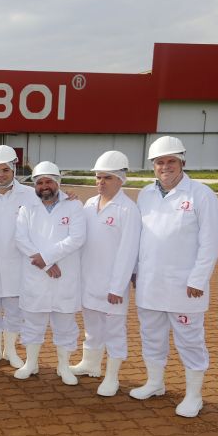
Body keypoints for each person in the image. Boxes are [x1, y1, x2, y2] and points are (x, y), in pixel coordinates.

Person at [130, 136, 218, 417]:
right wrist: (134, 271)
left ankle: (193, 395)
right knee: (151, 336)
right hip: (149, 284)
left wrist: (198, 279)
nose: (165, 166)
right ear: (152, 165)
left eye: (171, 161)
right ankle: (155, 383)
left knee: (189, 339)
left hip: (185, 288)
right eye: (160, 161)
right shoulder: (145, 194)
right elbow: (138, 238)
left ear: (182, 162)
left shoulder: (201, 194)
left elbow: (212, 241)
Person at [72, 151, 140, 396]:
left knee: (114, 331)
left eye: (107, 178)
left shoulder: (128, 209)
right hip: (88, 280)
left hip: (112, 286)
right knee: (92, 327)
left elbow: (128, 251)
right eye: (98, 177)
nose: (100, 182)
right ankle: (90, 363)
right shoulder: (89, 204)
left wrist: (117, 286)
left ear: (121, 179)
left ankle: (112, 376)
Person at [13, 161, 85, 385]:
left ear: (58, 183)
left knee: (65, 325)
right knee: (32, 323)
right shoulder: (27, 208)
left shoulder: (74, 206)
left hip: (65, 276)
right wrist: (44, 263)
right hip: (37, 275)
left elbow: (77, 238)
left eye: (49, 181)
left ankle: (64, 367)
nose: (44, 186)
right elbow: (20, 239)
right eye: (40, 182)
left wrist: (48, 256)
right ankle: (31, 363)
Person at [0, 145, 38, 369]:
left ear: (14, 169)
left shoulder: (30, 195)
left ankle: (11, 351)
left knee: (15, 312)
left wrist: (67, 195)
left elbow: (53, 201)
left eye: (5, 170)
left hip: (18, 264)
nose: (0, 175)